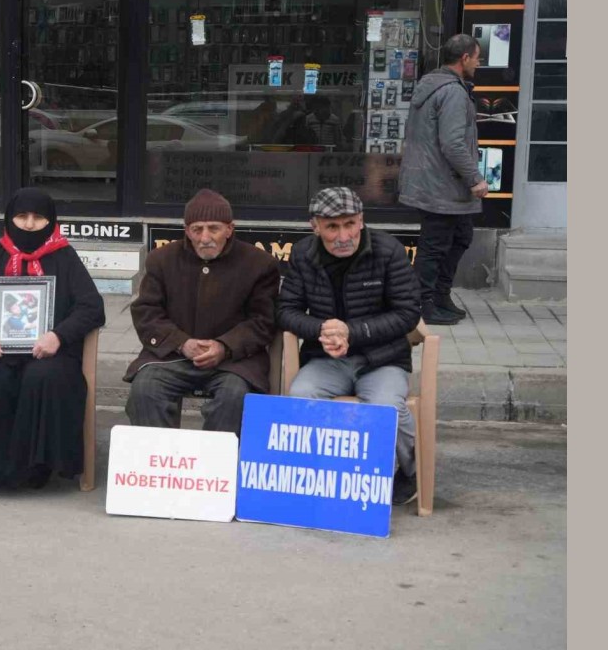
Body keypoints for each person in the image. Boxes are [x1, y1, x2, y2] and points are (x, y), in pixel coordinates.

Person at [0, 188, 105, 488]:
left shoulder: (64, 256)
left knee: (45, 377)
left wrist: (58, 336)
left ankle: (38, 469)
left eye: (38, 217)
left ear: (52, 221)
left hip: (49, 353)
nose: (30, 225)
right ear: (10, 219)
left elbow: (91, 306)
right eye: (22, 217)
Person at [278, 187, 421, 505]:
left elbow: (408, 313)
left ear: (361, 221)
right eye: (332, 227)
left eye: (350, 224)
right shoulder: (303, 254)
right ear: (315, 227)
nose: (343, 235)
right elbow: (285, 310)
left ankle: (411, 472)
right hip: (326, 358)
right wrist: (321, 330)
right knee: (301, 396)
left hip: (382, 358)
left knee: (386, 407)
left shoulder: (388, 250)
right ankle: (318, 474)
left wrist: (352, 332)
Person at [124, 188, 280, 434]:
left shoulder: (260, 264)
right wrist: (181, 342)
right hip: (172, 356)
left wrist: (224, 346)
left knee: (235, 397)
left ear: (230, 228)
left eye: (214, 228)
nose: (205, 237)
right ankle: (161, 466)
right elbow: (147, 311)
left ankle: (214, 469)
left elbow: (263, 321)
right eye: (197, 229)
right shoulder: (161, 259)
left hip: (234, 361)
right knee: (145, 391)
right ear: (187, 231)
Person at [398, 33, 488, 325]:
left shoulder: (433, 85)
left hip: (437, 181)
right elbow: (452, 144)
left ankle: (440, 295)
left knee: (461, 236)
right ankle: (422, 304)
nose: (479, 62)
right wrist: (475, 178)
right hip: (442, 185)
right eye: (477, 57)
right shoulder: (452, 92)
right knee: (435, 245)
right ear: (464, 59)